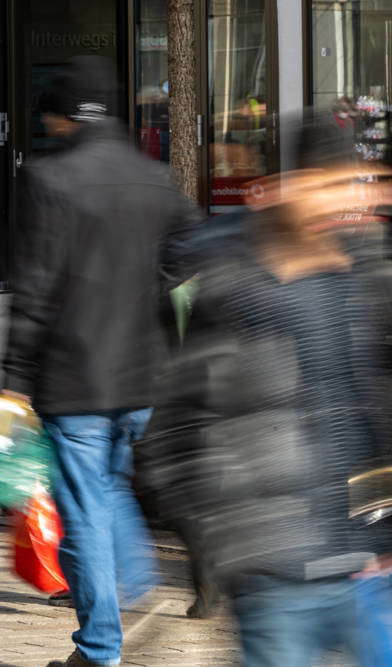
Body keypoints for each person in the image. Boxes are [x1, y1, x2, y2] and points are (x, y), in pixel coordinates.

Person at [149, 114, 392, 666]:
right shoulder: (232, 287)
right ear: (298, 187)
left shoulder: (354, 283)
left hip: (362, 566)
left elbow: (371, 413)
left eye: (357, 187)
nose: (355, 206)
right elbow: (174, 430)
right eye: (336, 186)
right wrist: (219, 543)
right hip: (274, 575)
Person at [1, 56, 202, 667]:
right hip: (139, 376)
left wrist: (12, 380)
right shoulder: (154, 178)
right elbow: (189, 257)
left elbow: (33, 291)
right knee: (110, 490)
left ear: (61, 118)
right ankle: (139, 586)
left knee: (84, 507)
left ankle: (100, 646)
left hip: (74, 378)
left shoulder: (47, 178)